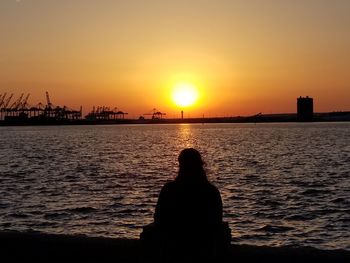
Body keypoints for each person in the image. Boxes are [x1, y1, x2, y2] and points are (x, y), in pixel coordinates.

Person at [140, 148, 231, 262]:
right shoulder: (211, 191)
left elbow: (159, 219)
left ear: (180, 164)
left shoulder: (169, 189)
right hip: (204, 252)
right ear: (200, 165)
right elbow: (216, 221)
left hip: (172, 251)